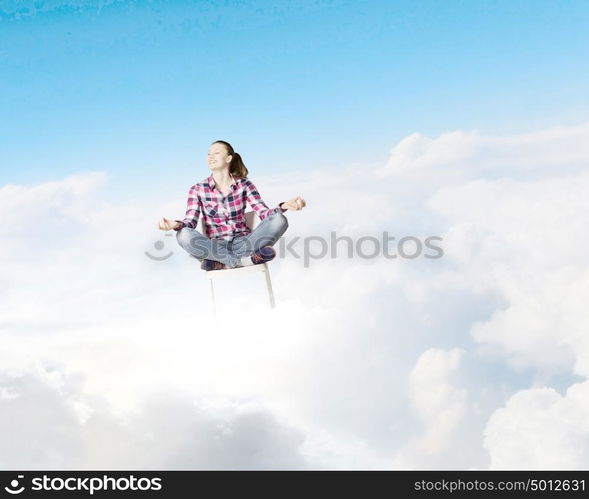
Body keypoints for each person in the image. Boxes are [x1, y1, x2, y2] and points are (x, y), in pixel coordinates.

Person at [157, 140, 306, 271]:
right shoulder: (197, 189)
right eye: (208, 154)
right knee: (183, 234)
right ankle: (243, 261)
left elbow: (263, 213)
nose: (211, 157)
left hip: (245, 244)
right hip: (215, 247)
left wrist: (284, 206)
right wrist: (174, 224)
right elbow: (190, 222)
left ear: (229, 158)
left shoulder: (245, 185)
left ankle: (223, 263)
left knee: (279, 219)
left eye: (216, 153)